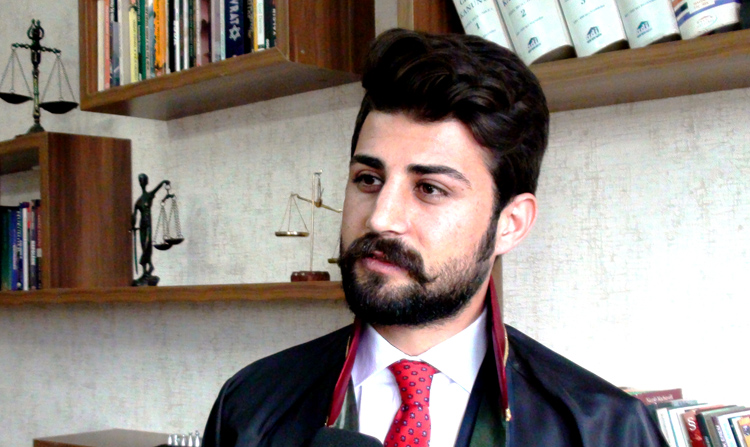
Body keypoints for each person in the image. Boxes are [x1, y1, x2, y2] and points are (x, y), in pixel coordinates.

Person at [202, 29, 666, 447]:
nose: (381, 218)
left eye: (429, 189)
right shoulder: (249, 408)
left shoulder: (604, 429)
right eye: (368, 179)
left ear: (510, 223)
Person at [131, 173, 170, 286]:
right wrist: (133, 224)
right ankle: (146, 272)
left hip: (148, 225)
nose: (142, 182)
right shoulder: (138, 201)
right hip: (142, 226)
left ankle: (149, 270)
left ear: (146, 182)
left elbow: (157, 189)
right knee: (143, 246)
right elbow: (134, 215)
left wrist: (163, 182)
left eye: (143, 180)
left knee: (147, 246)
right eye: (140, 180)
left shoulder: (149, 195)